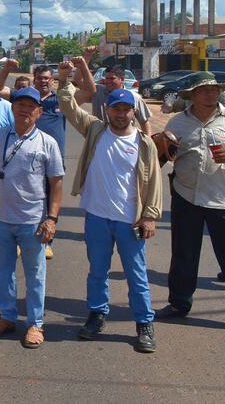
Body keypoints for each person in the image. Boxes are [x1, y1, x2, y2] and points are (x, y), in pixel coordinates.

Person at [56, 61, 162, 353]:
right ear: (108, 110)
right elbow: (67, 106)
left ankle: (144, 323)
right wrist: (64, 79)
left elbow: (154, 182)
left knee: (136, 274)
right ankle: (97, 314)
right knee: (97, 270)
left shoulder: (144, 143)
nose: (120, 113)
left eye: (126, 109)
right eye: (116, 108)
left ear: (133, 112)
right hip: (97, 217)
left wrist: (150, 217)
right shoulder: (95, 130)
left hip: (130, 221)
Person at [156, 71, 225, 340]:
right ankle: (180, 303)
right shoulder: (178, 122)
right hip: (186, 196)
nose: (210, 94)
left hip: (222, 200)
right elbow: (162, 156)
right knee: (184, 254)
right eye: (204, 90)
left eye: (214, 89)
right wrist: (161, 143)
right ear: (192, 94)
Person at [0, 87, 64, 349]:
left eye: (31, 106)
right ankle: (7, 316)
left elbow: (57, 183)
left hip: (32, 221)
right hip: (0, 219)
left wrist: (51, 218)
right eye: (20, 104)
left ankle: (35, 323)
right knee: (3, 272)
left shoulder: (47, 142)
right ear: (12, 108)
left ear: (39, 112)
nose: (25, 109)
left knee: (35, 274)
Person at [77, 65, 153, 136]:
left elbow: (144, 122)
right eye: (107, 78)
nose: (108, 81)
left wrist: (148, 144)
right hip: (99, 138)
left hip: (123, 140)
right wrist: (85, 59)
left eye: (112, 78)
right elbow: (78, 79)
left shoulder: (134, 97)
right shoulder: (97, 91)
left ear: (122, 79)